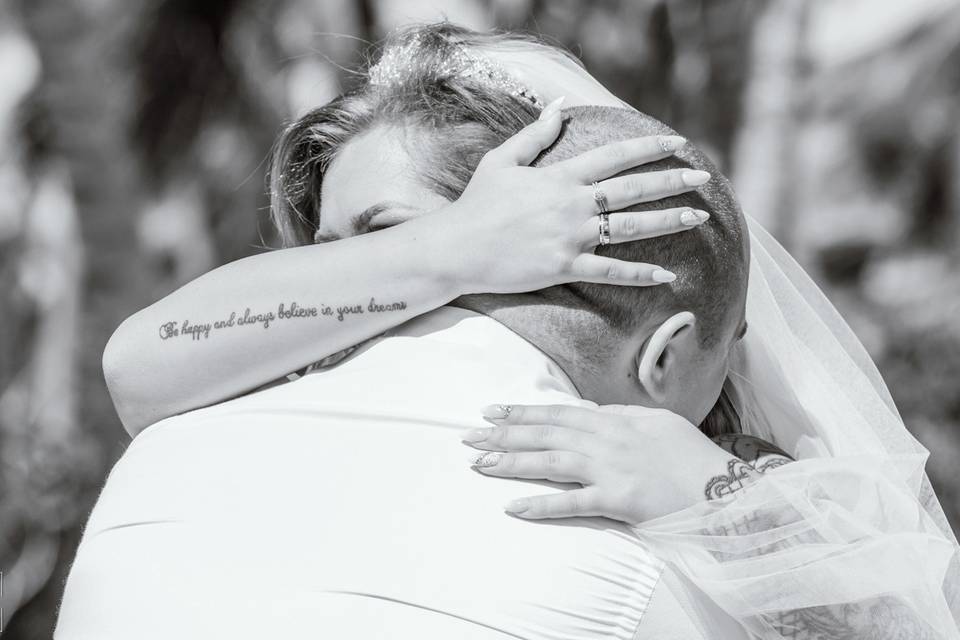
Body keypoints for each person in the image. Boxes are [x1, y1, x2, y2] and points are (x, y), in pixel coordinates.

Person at [64, 22, 959, 639]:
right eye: (320, 253)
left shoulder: (194, 448)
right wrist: (449, 246)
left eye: (376, 232)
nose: (330, 287)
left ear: (534, 228)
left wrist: (714, 492)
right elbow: (136, 364)